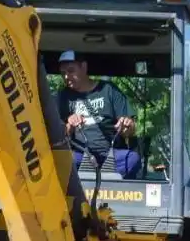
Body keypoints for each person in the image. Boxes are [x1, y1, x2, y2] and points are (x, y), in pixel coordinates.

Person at [54, 49, 143, 179]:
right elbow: (57, 137)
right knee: (61, 160)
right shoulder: (62, 97)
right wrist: (70, 125)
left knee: (133, 159)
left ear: (84, 67)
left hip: (111, 155)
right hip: (80, 156)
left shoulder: (109, 90)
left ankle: (101, 179)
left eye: (71, 71)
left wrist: (126, 126)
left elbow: (130, 130)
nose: (66, 76)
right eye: (63, 73)